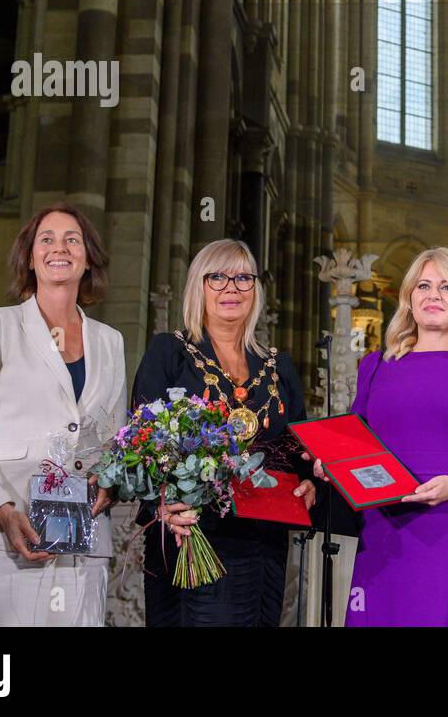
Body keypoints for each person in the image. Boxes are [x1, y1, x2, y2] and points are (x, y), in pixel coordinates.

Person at [315, 246, 448, 626]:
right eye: (423, 286)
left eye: (447, 287)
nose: (434, 295)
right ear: (409, 300)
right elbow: (353, 442)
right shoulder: (375, 365)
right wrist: (329, 462)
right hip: (385, 535)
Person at [0, 202, 126, 626]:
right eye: (47, 239)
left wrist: (110, 482)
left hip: (83, 541)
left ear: (88, 257)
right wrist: (3, 510)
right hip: (1, 538)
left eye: (71, 240)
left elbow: (115, 441)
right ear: (29, 256)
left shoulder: (110, 341)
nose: (59, 248)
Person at [133, 238, 316, 627]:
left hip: (264, 541)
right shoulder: (170, 352)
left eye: (243, 278)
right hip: (192, 535)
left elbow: (299, 449)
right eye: (217, 277)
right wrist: (161, 506)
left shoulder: (278, 366)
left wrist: (309, 484)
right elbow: (141, 443)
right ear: (198, 286)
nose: (231, 287)